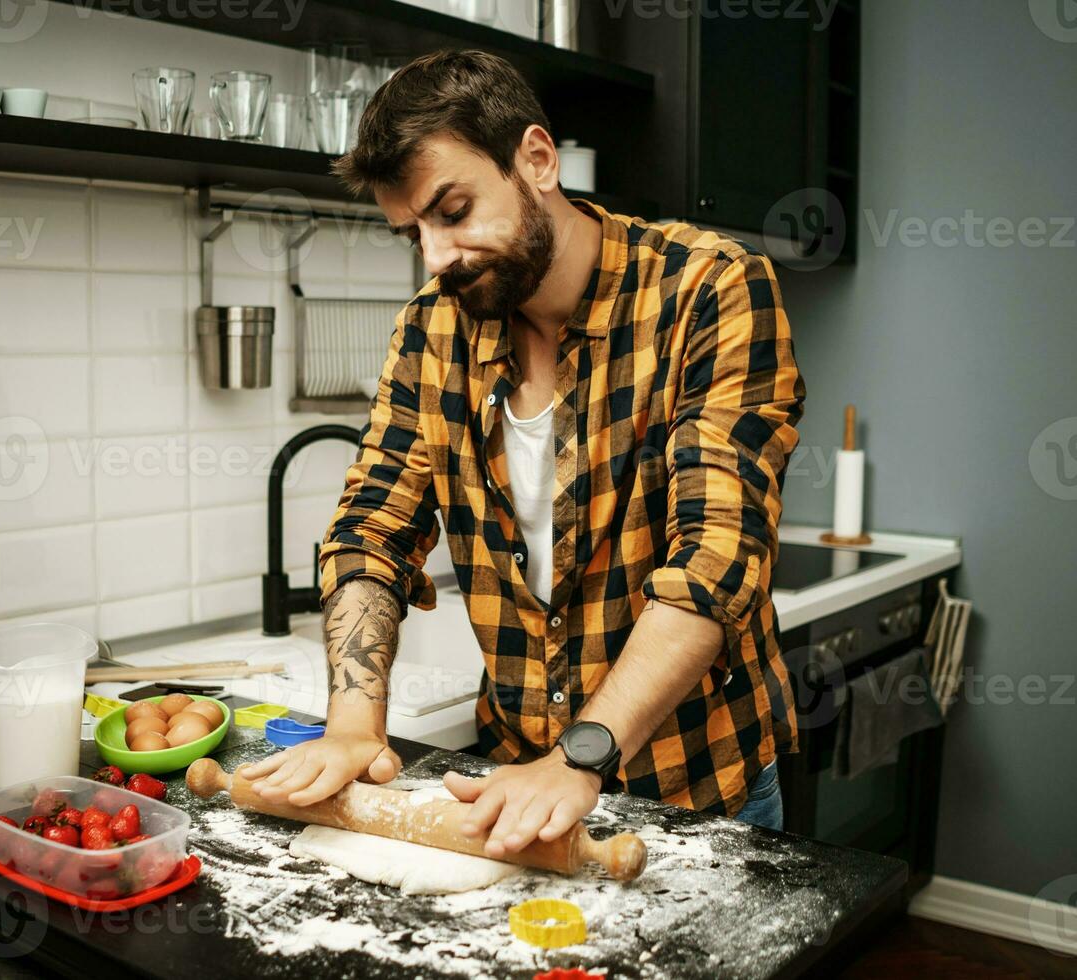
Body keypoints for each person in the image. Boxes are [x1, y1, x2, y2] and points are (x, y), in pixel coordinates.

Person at [238, 50, 804, 850]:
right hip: (510, 790)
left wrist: (579, 757)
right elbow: (372, 528)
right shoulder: (432, 329)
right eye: (413, 233)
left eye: (454, 210)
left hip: (699, 793)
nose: (435, 257)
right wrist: (355, 724)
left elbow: (717, 562)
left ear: (537, 159)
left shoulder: (709, 290)